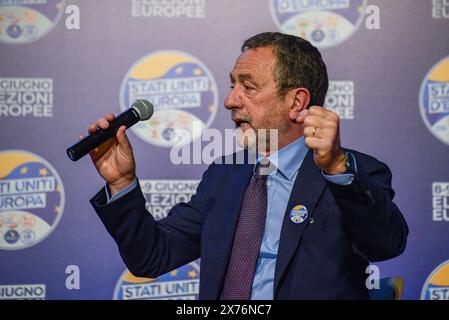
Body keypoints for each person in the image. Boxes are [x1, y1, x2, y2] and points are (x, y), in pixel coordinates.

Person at [88, 32, 408, 299]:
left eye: (248, 87)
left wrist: (337, 167)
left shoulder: (349, 173)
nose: (230, 101)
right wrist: (121, 183)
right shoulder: (224, 175)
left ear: (296, 102)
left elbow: (386, 244)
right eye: (232, 86)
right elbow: (151, 256)